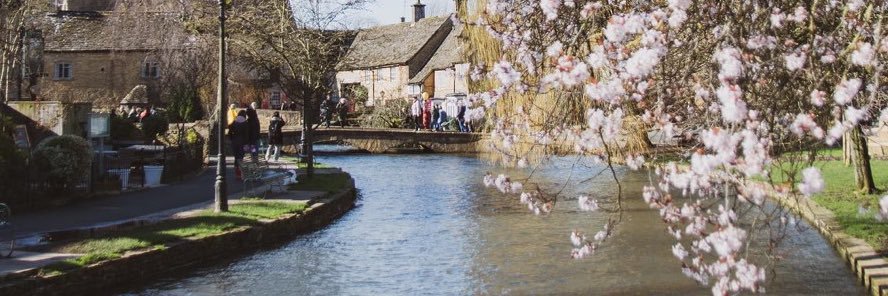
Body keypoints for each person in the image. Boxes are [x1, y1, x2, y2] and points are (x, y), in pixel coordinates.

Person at [228, 110, 249, 179]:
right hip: (242, 142)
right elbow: (246, 134)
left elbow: (229, 132)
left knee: (236, 157)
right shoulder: (245, 123)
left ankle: (237, 172)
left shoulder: (234, 122)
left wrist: (232, 138)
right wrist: (246, 143)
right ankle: (240, 173)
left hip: (234, 141)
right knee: (240, 157)